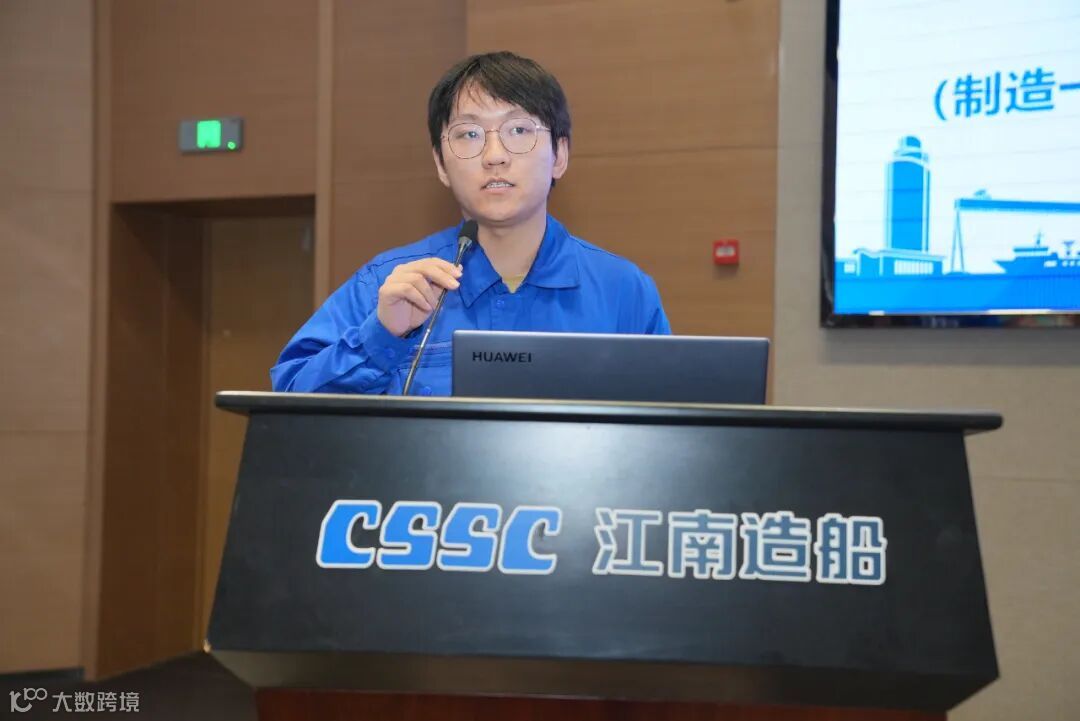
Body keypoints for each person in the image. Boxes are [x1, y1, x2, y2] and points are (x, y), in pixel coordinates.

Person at [271, 51, 670, 396]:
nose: (494, 155)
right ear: (441, 165)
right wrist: (381, 335)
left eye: (519, 130)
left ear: (559, 155)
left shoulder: (623, 291)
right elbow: (287, 402)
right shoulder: (387, 284)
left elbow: (672, 429)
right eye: (469, 134)